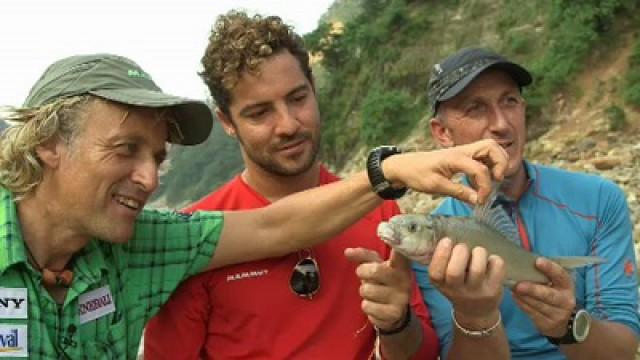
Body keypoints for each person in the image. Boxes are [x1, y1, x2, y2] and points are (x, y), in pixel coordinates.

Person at [0, 53, 507, 359]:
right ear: (48, 142)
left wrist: (389, 172)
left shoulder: (146, 244)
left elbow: (273, 226)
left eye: (157, 156)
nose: (150, 178)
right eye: (125, 149)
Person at [144, 11, 439, 360]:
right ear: (227, 121)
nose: (287, 124)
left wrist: (397, 324)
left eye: (298, 98)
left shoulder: (380, 211)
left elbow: (421, 353)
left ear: (314, 89)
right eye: (259, 113)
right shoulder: (195, 238)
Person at [413, 47, 640, 360]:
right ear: (442, 133)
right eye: (476, 108)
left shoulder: (599, 200)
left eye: (510, 101)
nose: (502, 124)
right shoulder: (430, 244)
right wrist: (474, 316)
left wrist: (568, 324)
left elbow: (623, 349)